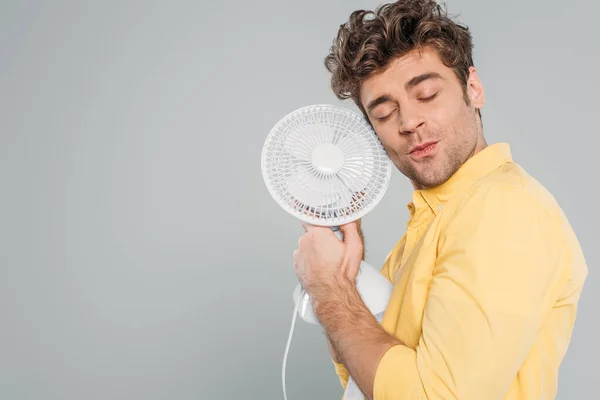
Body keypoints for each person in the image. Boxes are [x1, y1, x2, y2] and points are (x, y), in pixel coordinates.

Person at [292, 1, 588, 399]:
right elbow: (368, 383)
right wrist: (346, 274)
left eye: (427, 94)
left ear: (473, 88)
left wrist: (329, 290)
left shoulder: (503, 210)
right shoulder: (429, 226)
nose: (408, 121)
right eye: (383, 112)